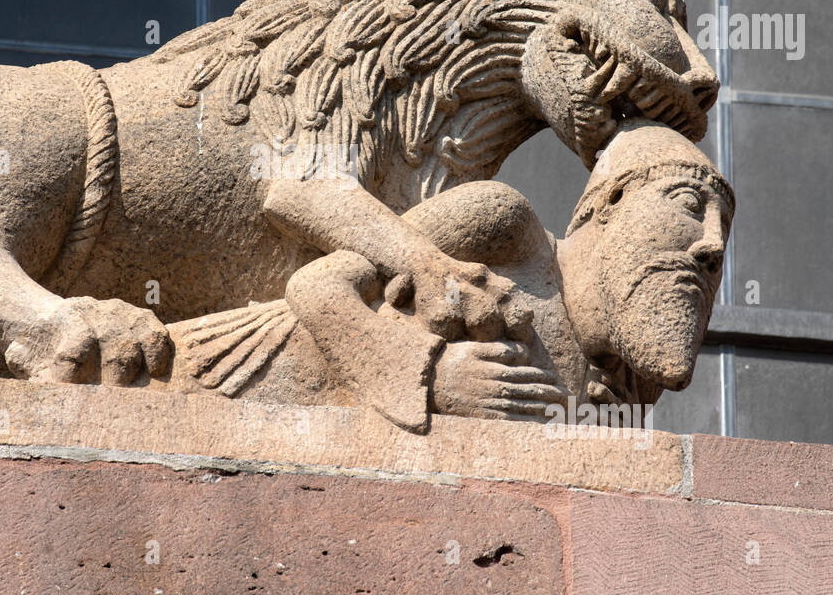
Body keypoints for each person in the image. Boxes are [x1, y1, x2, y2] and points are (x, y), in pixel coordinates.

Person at [162, 120, 733, 434]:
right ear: (605, 207)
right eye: (688, 203)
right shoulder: (507, 228)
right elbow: (319, 288)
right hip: (220, 381)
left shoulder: (628, 385)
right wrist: (433, 375)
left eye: (724, 228)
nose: (712, 243)